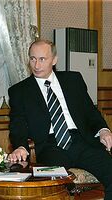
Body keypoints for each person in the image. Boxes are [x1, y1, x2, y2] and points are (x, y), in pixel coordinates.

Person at [8, 39, 112, 199]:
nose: (36, 65)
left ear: (54, 60)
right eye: (32, 58)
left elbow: (90, 112)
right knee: (55, 185)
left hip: (81, 141)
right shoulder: (20, 91)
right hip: (50, 146)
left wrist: (103, 130)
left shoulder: (73, 80)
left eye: (42, 59)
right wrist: (21, 146)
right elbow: (18, 125)